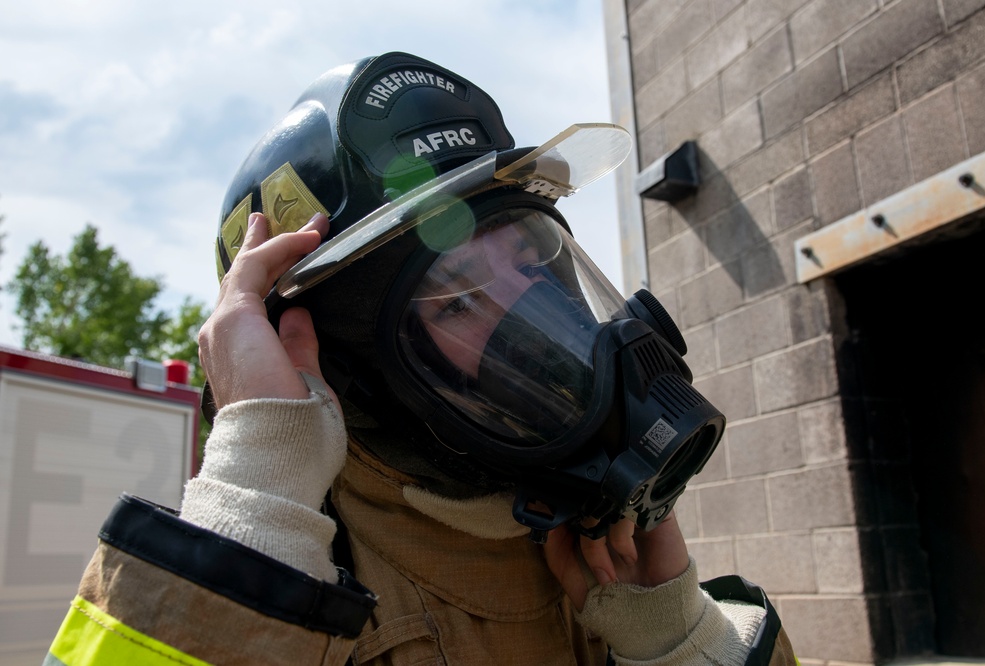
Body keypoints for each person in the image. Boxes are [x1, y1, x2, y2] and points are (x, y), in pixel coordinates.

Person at [46, 52, 796, 665]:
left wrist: (677, 640)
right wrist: (256, 498)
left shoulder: (605, 567)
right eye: (460, 299)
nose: (540, 324)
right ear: (352, 374)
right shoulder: (302, 587)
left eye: (535, 265)